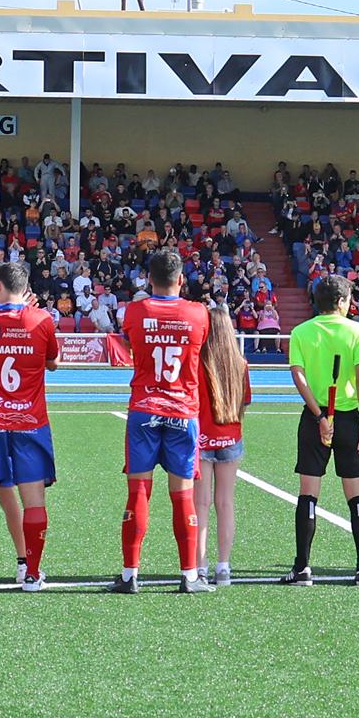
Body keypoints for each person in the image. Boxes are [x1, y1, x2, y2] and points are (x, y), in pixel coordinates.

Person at [114, 251, 214, 594]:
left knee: (138, 492)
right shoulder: (198, 313)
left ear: (148, 279)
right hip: (182, 412)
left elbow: (130, 343)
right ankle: (188, 575)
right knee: (183, 495)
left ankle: (130, 574)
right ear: (181, 279)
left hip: (144, 408)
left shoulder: (136, 311)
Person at [0, 259, 62, 592]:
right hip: (30, 422)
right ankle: (31, 574)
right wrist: (28, 316)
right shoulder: (42, 320)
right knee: (33, 501)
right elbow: (54, 363)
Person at [282, 275, 359, 585]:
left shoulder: (301, 332)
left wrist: (319, 415)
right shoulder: (358, 331)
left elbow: (299, 377)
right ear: (342, 302)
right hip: (348, 419)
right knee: (355, 492)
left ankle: (302, 568)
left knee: (308, 493)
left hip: (313, 420)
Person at [199, 305, 252, 587]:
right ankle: (224, 566)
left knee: (201, 504)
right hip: (231, 436)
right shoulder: (240, 362)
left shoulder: (198, 360)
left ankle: (200, 566)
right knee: (225, 502)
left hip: (201, 437)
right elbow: (245, 402)